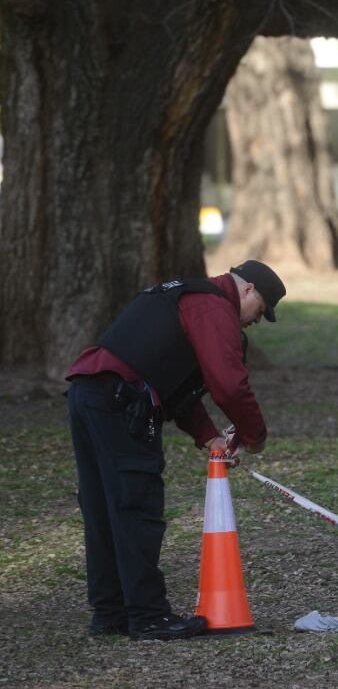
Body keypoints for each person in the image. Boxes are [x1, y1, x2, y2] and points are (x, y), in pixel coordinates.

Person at [65, 261, 285, 641]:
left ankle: (110, 613)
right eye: (260, 311)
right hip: (121, 401)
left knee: (102, 507)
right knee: (137, 506)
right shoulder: (214, 307)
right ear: (247, 290)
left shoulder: (185, 294)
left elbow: (174, 384)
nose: (254, 322)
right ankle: (149, 616)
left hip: (88, 392)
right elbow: (229, 385)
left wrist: (209, 437)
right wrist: (255, 435)